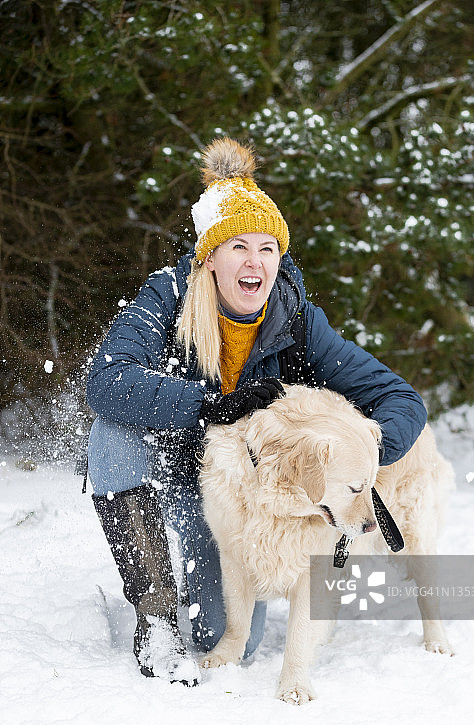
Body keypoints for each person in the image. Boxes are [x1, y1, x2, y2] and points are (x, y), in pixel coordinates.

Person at [86, 137, 427, 685]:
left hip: (243, 499)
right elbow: (106, 381)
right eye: (238, 247)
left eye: (267, 248)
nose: (254, 261)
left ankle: (198, 597)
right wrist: (212, 404)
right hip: (169, 472)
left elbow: (402, 399)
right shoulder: (168, 296)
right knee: (111, 430)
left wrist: (360, 453)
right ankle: (152, 608)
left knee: (225, 644)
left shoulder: (297, 320)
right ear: (210, 258)